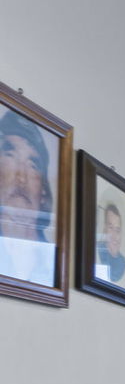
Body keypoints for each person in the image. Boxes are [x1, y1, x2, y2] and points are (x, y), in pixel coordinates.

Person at [0, 107, 56, 285]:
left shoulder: (53, 262)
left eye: (32, 166)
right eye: (11, 157)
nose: (21, 178)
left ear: (43, 191)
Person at [95, 200, 125, 284]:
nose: (114, 236)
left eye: (117, 230)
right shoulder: (97, 252)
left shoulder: (124, 263)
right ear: (104, 229)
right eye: (111, 228)